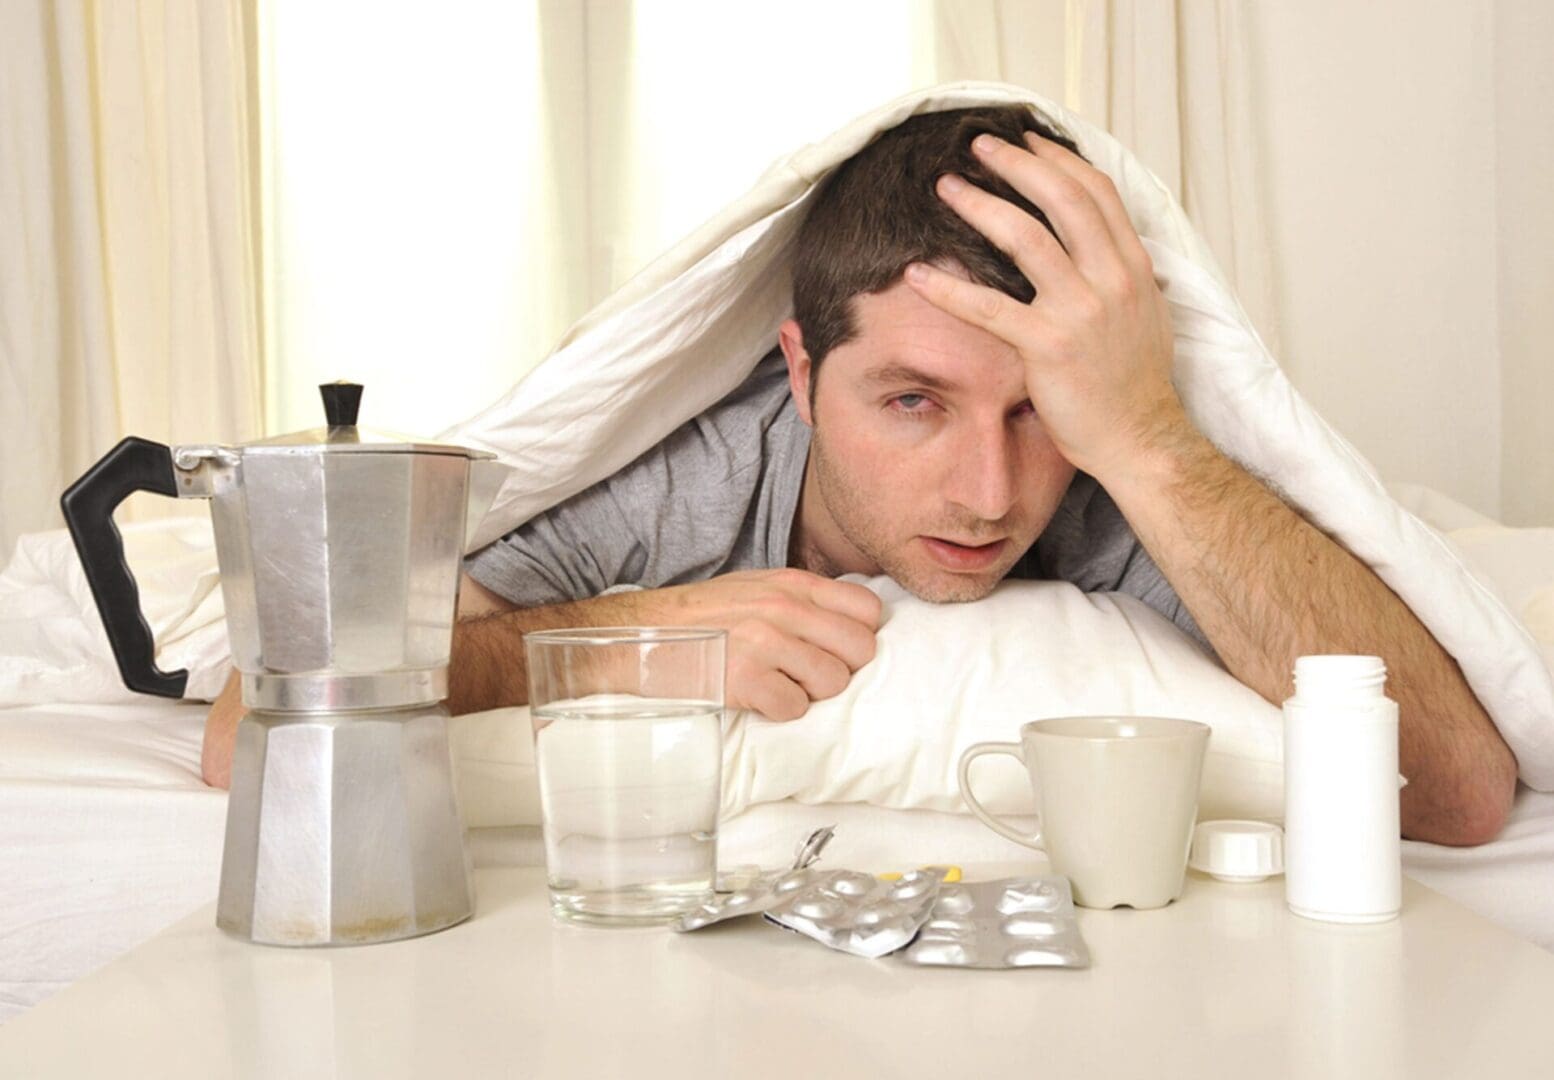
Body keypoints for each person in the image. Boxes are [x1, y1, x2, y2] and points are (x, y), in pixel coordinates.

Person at [202, 105, 1517, 846]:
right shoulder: (683, 481)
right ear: (796, 368)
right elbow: (249, 726)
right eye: (910, 402)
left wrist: (1140, 436)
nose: (989, 492)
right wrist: (622, 640)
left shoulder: (1108, 472)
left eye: (1035, 412)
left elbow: (1453, 794)